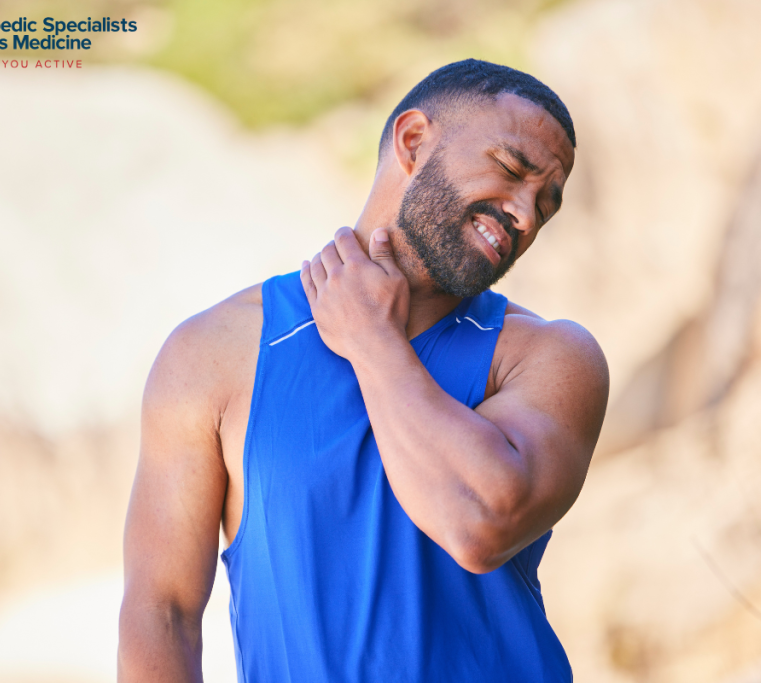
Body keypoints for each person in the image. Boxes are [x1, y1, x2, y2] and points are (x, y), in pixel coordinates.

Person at [118, 59, 609, 682]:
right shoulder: (213, 353)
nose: (525, 215)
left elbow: (482, 523)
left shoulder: (548, 358)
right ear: (412, 141)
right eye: (511, 170)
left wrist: (372, 341)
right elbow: (162, 613)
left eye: (546, 202)